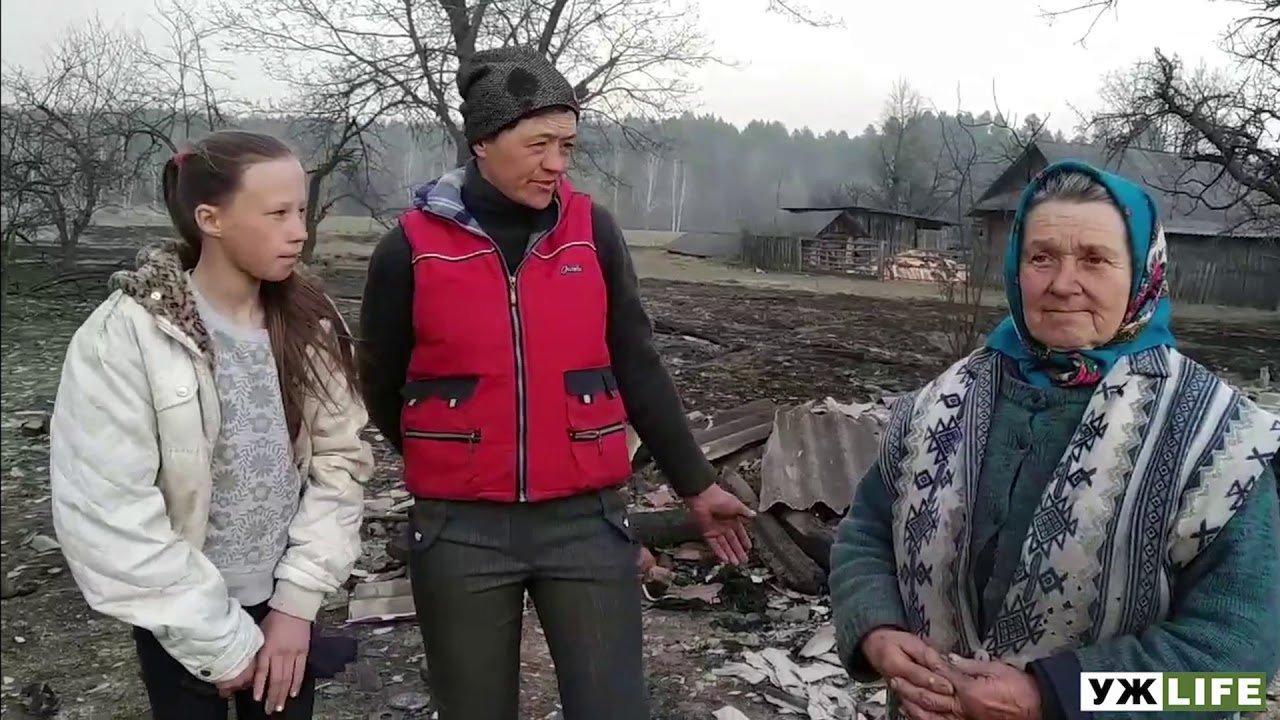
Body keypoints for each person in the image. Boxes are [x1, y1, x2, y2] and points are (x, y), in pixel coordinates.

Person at [358, 46, 754, 720]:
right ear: (483, 141)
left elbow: (637, 363)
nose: (556, 163)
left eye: (566, 146)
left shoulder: (591, 232)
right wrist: (449, 456)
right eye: (538, 144)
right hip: (460, 530)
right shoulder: (411, 248)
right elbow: (382, 381)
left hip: (585, 524)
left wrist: (696, 483)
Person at [829, 160, 1280, 720]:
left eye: (1095, 259)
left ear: (1143, 273)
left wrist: (1054, 697)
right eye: (1041, 257)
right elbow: (867, 532)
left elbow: (1235, 680)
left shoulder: (1219, 442)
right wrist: (876, 630)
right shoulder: (940, 403)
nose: (1063, 284)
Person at [49, 130, 373, 719]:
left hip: (285, 611)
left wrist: (297, 605)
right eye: (277, 214)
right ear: (210, 219)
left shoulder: (309, 324)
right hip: (179, 618)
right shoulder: (127, 336)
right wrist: (220, 644)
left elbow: (340, 461)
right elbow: (109, 508)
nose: (299, 231)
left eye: (301, 211)